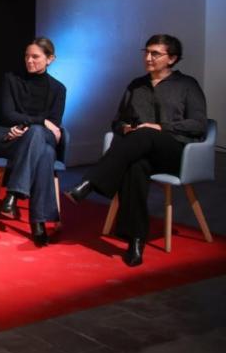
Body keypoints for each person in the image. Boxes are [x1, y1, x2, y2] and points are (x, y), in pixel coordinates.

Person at [65, 34, 207, 267]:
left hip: (174, 152)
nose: (148, 58)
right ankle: (136, 240)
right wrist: (126, 128)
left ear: (172, 59)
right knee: (135, 167)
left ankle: (91, 182)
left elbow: (199, 124)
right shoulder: (136, 85)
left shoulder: (187, 85)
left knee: (148, 133)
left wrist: (161, 126)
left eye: (155, 54)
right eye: (146, 52)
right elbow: (117, 121)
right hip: (139, 152)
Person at [0, 37, 66, 247]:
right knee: (44, 153)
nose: (29, 61)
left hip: (40, 138)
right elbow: (7, 114)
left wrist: (35, 125)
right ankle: (38, 223)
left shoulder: (58, 89)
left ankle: (14, 193)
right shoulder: (11, 79)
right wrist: (39, 121)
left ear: (50, 59)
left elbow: (56, 124)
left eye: (35, 57)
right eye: (27, 56)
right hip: (13, 139)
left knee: (37, 136)